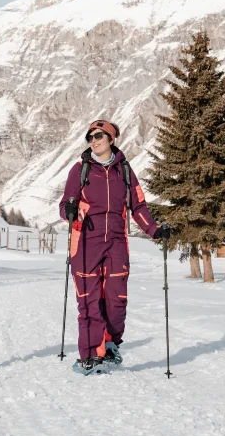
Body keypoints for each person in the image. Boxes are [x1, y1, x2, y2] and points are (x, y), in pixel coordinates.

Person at [59, 119, 169, 374]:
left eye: (98, 136)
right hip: (86, 241)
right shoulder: (80, 169)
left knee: (117, 301)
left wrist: (154, 229)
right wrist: (71, 211)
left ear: (111, 139)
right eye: (90, 137)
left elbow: (138, 206)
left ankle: (110, 345)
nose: (93, 141)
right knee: (88, 301)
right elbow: (65, 204)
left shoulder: (126, 171)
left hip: (118, 241)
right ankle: (90, 355)